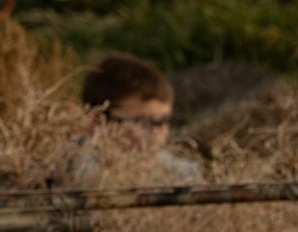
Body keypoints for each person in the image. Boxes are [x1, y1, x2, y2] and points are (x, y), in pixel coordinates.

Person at [68, 52, 202, 183]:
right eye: (139, 122)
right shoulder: (72, 175)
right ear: (95, 122)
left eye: (161, 121)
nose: (154, 135)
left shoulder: (182, 173)